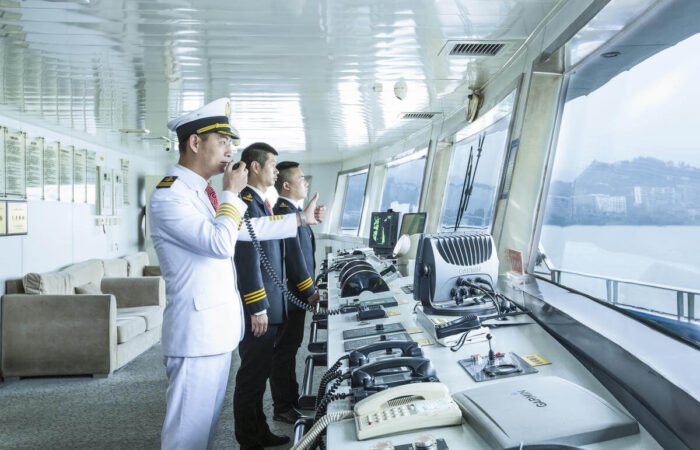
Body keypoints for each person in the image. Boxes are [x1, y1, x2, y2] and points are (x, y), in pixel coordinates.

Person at [149, 98, 321, 450]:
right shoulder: (170, 195)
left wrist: (301, 219)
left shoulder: (201, 192)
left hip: (215, 332)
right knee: (185, 438)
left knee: (203, 433)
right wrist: (230, 193)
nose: (230, 151)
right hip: (195, 335)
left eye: (231, 143)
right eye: (223, 142)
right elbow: (219, 243)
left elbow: (247, 229)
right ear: (196, 143)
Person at [232, 143, 325, 449]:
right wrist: (258, 306)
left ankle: (258, 432)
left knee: (258, 374)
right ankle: (249, 438)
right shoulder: (245, 203)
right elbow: (248, 259)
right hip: (262, 306)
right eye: (271, 164)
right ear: (255, 167)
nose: (275, 169)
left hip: (272, 303)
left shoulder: (262, 205)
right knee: (252, 375)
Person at [270, 161, 320, 423]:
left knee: (290, 348)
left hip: (295, 295)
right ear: (286, 184)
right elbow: (294, 258)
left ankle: (291, 398)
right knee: (285, 352)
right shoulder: (283, 213)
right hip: (291, 296)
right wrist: (309, 290)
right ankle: (283, 406)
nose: (306, 182)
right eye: (301, 178)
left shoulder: (292, 211)